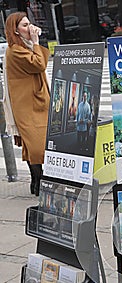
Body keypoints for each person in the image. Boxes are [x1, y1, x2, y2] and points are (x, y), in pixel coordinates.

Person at [3, 12, 50, 196]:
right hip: (28, 105)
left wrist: (32, 41)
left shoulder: (22, 47)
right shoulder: (15, 50)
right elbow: (39, 64)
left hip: (31, 103)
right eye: (24, 25)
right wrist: (36, 41)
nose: (29, 28)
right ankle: (40, 181)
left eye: (29, 23)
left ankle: (36, 183)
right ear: (15, 29)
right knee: (37, 145)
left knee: (32, 146)